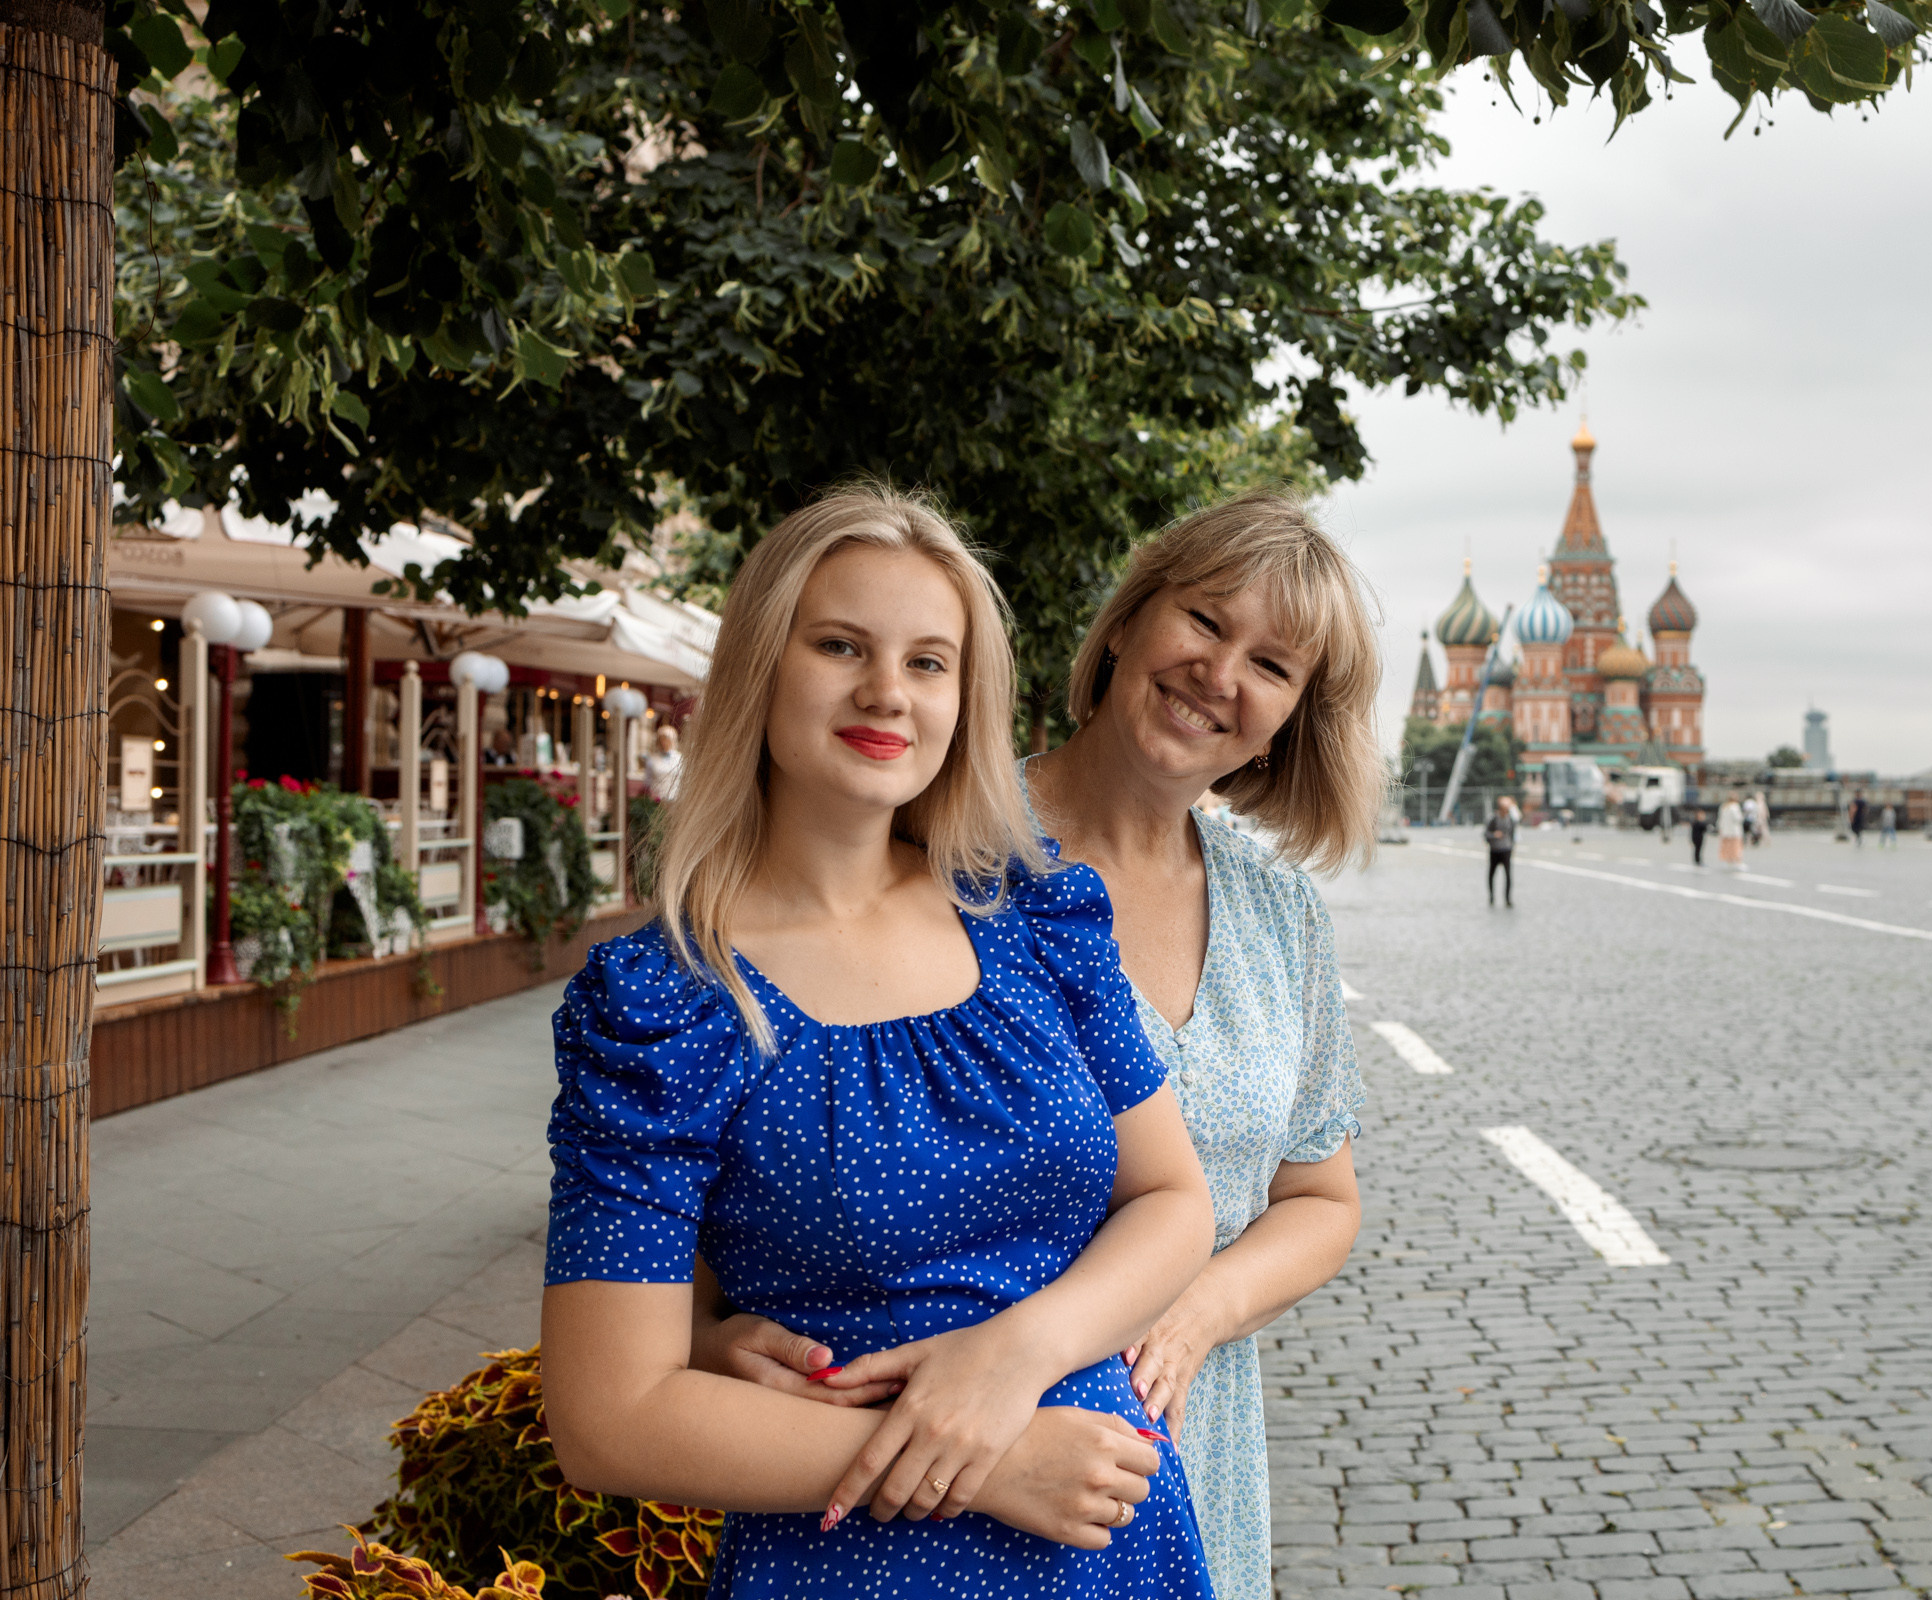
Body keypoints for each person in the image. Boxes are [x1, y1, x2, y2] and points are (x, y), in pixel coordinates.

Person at [697, 491, 1380, 1600]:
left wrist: (1197, 1301)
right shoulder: (938, 837)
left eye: (1272, 665)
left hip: (1184, 1439)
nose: (1221, 673)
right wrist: (700, 1330)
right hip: (925, 1469)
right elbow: (763, 1120)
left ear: (1292, 716)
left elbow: (1320, 1195)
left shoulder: (1280, 914)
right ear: (1125, 623)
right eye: (1205, 622)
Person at [540, 487, 1220, 1598]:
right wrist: (986, 1456)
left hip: (1113, 1545)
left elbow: (1173, 1199)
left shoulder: (1036, 915)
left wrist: (1018, 1354)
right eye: (841, 644)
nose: (885, 693)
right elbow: (609, 1417)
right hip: (849, 1566)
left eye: (928, 662)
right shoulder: (668, 1002)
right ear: (763, 663)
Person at [1485, 795, 1519, 906]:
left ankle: (1507, 898)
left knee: (1508, 875)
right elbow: (1486, 834)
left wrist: (1512, 846)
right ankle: (1491, 897)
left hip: (1506, 849)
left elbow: (1513, 834)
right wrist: (1494, 835)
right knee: (1491, 874)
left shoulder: (1511, 820)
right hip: (1495, 850)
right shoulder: (1493, 819)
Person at [644, 722, 684, 800]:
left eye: (667, 739)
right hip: (657, 800)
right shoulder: (652, 759)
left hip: (676, 799)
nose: (664, 743)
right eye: (662, 740)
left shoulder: (680, 759)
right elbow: (647, 781)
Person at [1716, 795, 1744, 870]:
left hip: (1725, 831)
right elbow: (1738, 818)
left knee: (1726, 847)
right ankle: (1737, 862)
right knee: (1735, 847)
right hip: (1734, 831)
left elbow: (1720, 819)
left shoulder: (1723, 807)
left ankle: (1728, 861)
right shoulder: (1735, 807)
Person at [1689, 801, 1708, 866]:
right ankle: (1698, 861)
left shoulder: (1695, 822)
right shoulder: (1698, 823)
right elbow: (1705, 828)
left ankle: (1698, 860)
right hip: (1698, 838)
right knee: (1698, 850)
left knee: (1698, 850)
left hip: (1697, 838)